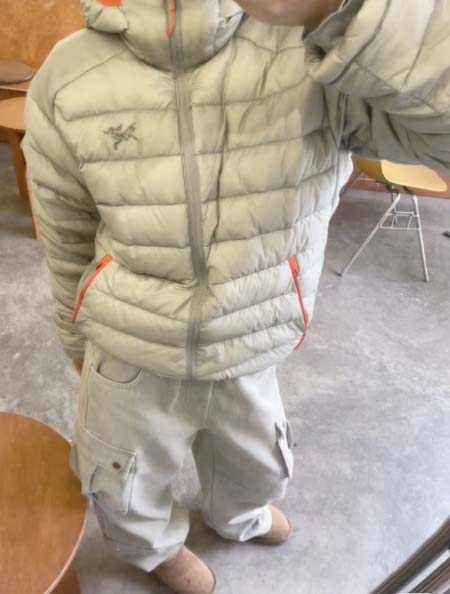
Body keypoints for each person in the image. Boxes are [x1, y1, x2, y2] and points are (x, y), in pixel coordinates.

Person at [21, 1, 450, 593]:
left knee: (257, 462)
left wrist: (342, 11)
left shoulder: (313, 49)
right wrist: (75, 334)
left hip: (253, 330)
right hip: (128, 341)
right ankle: (156, 549)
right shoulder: (68, 75)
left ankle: (239, 516)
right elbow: (64, 224)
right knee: (122, 479)